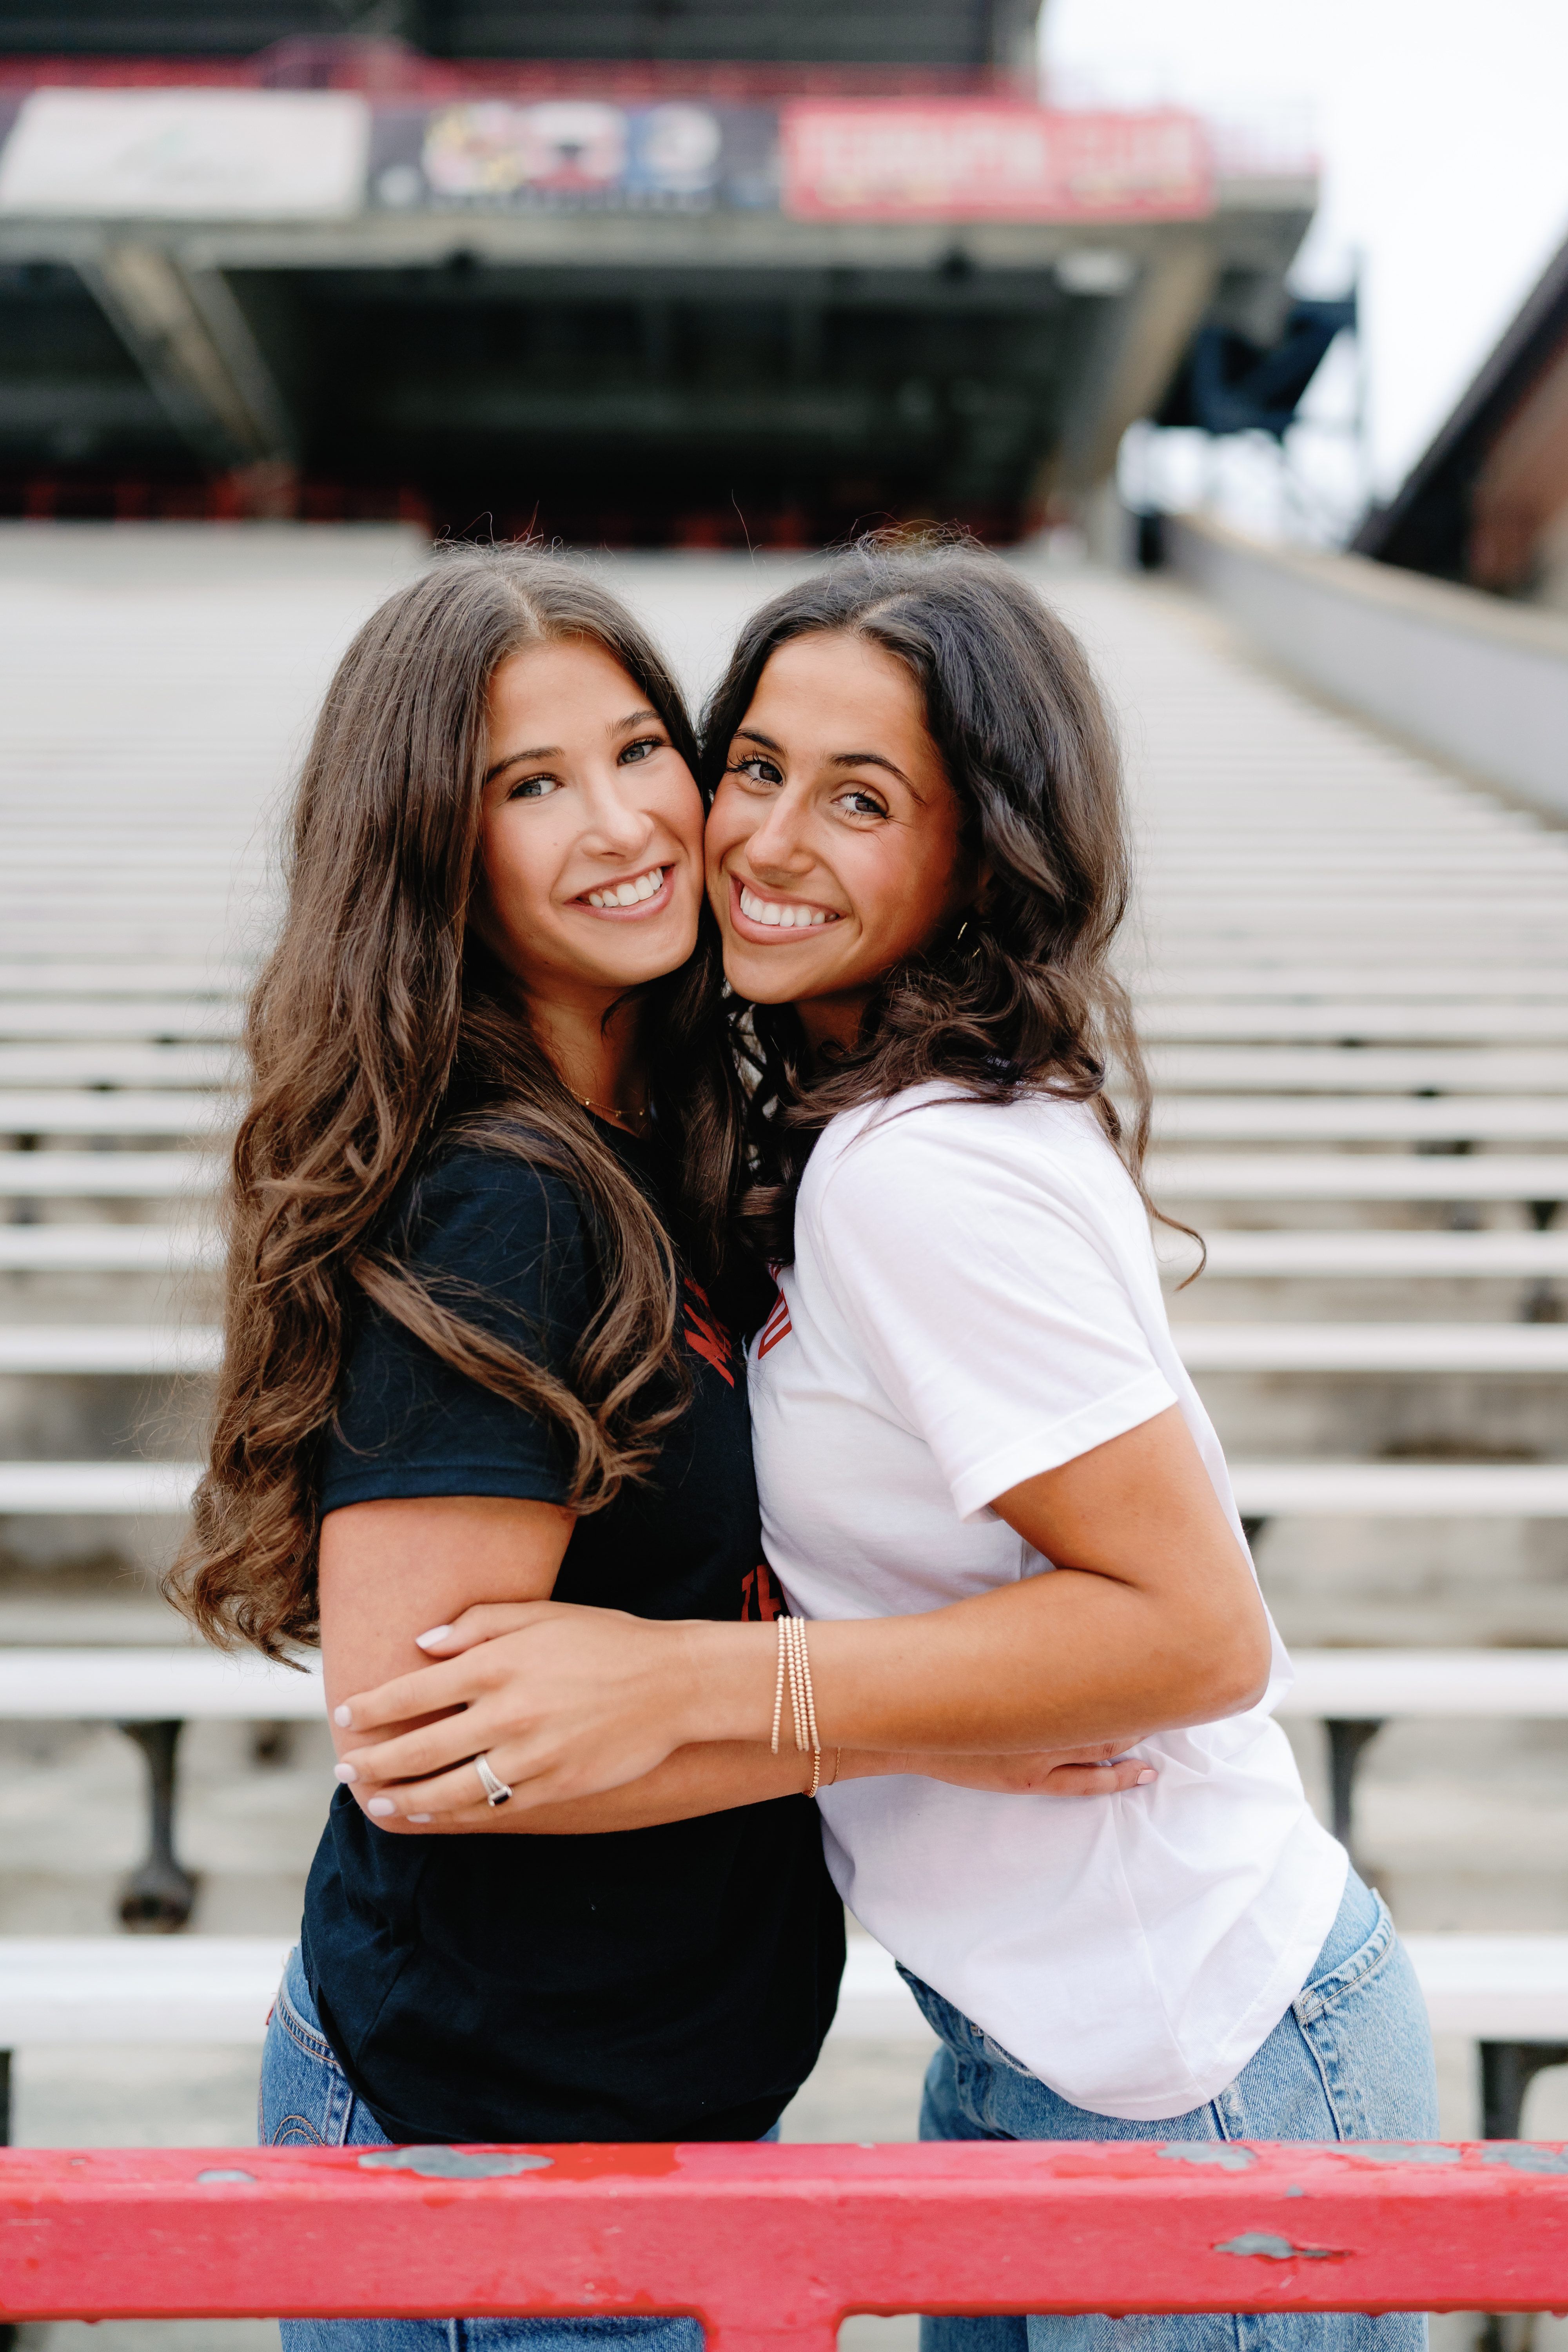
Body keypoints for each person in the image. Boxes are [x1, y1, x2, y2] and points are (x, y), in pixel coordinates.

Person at [334, 541, 1439, 2352]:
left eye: (863, 798)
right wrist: (908, 1701)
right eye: (756, 765)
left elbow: (1195, 1638)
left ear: (977, 847)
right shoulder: (854, 1132)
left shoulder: (916, 1165)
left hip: (1194, 2071)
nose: (764, 842)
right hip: (1051, 2042)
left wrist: (737, 1687)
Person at [170, 545, 1144, 2352]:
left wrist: (856, 1697)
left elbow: (679, 1644)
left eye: (642, 750)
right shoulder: (501, 1200)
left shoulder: (659, 1136)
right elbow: (423, 1752)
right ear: (425, 847)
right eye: (530, 786)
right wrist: (874, 1707)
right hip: (491, 2147)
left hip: (645, 2117)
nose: (628, 823)